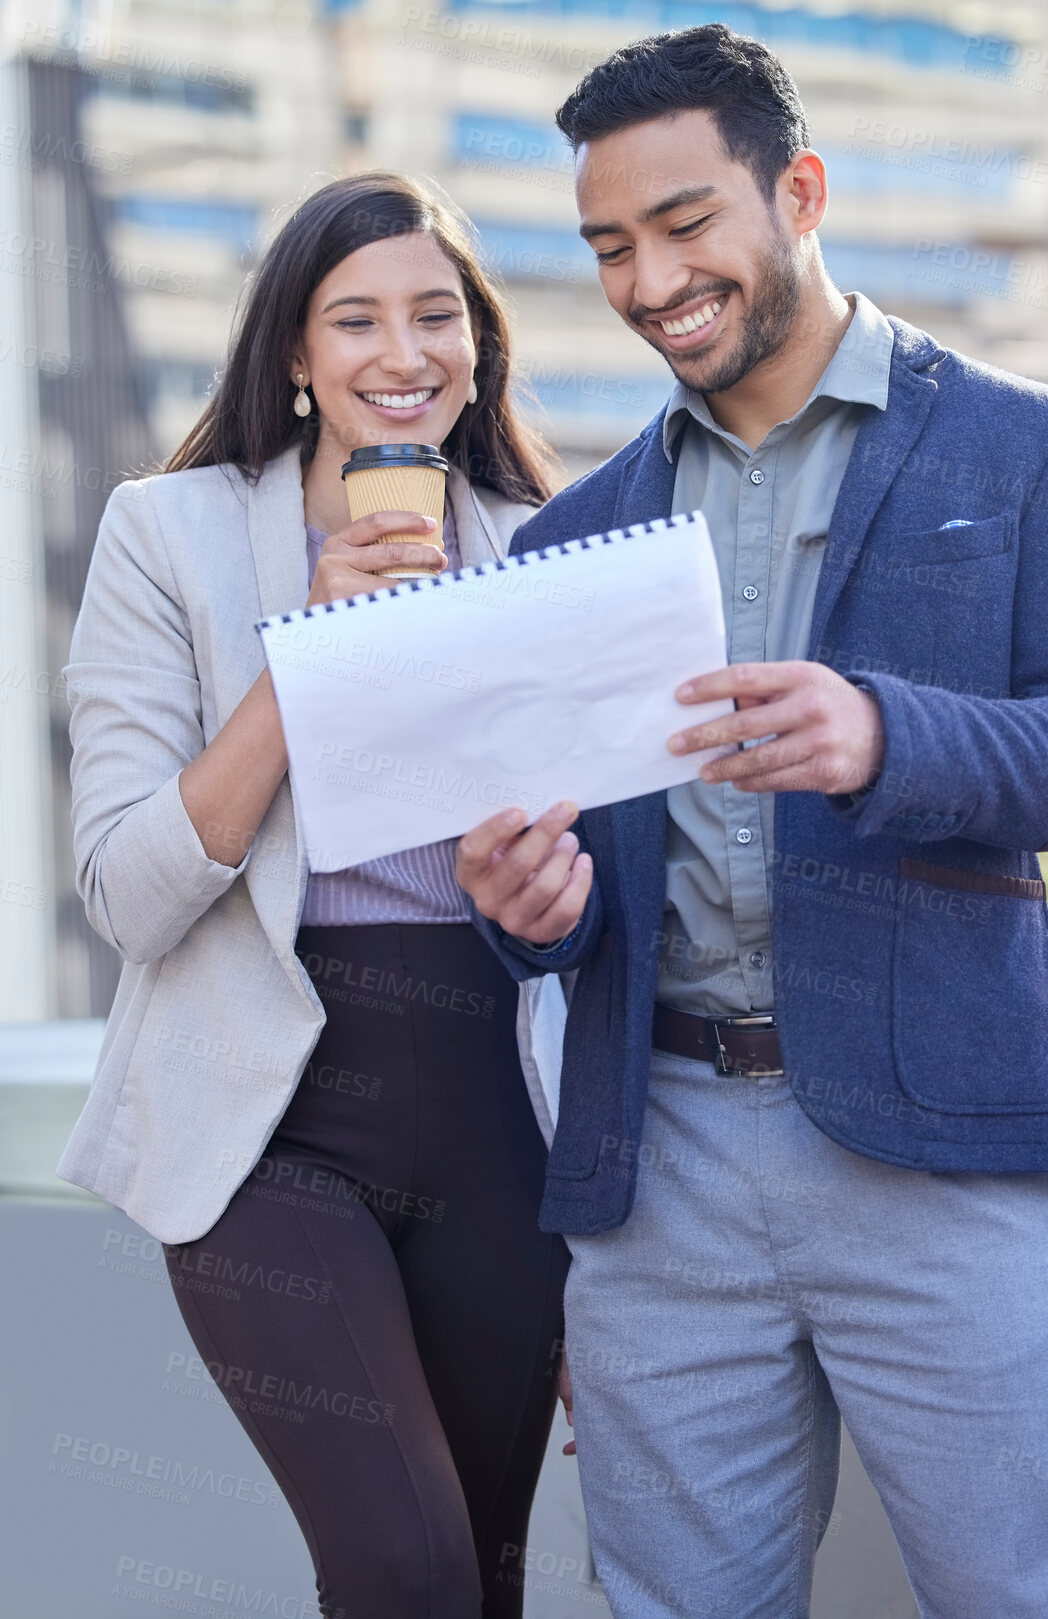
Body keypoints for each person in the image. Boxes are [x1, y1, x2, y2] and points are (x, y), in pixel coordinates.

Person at [456, 26, 1048, 1619]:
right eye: (609, 247)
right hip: (662, 1165)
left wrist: (882, 731)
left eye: (685, 222)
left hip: (941, 1146)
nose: (648, 280)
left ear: (801, 189)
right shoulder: (577, 533)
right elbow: (575, 901)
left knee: (1026, 1598)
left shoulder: (1029, 444)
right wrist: (531, 906)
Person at [59, 171, 571, 1619]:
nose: (402, 353)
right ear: (293, 352)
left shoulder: (543, 545)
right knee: (399, 1567)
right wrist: (309, 653)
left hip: (496, 1116)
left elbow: (607, 907)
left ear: (479, 345)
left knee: (481, 1574)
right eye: (355, 319)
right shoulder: (168, 536)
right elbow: (127, 891)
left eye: (437, 315)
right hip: (261, 1117)